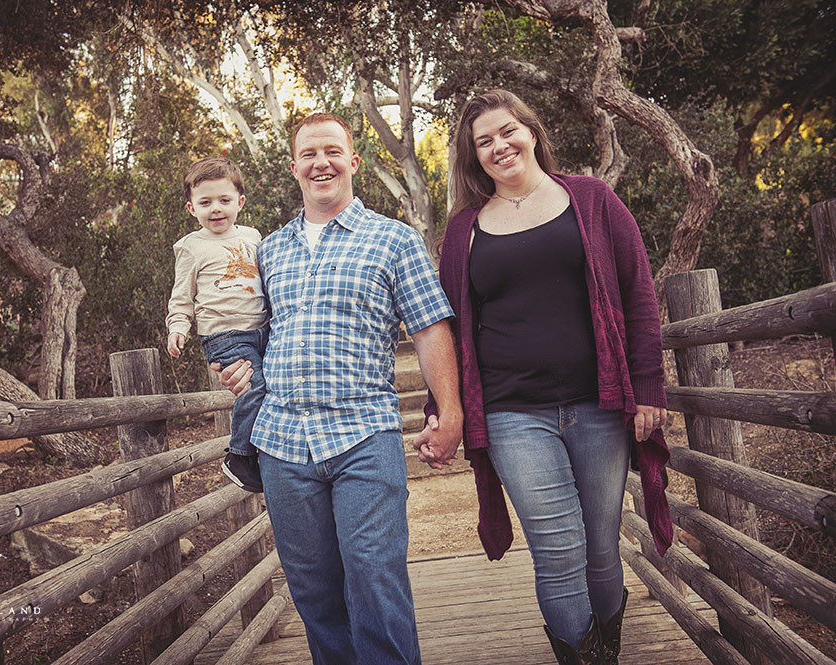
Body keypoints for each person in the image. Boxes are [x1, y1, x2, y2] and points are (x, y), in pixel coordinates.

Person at [416, 89, 673, 665]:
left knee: (602, 548)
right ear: (473, 156)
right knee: (558, 550)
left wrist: (648, 387)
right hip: (512, 413)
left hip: (598, 405)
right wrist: (442, 408)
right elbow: (450, 328)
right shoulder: (464, 231)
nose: (499, 146)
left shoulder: (591, 198)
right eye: (484, 141)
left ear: (531, 131)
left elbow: (637, 293)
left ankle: (605, 648)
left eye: (508, 131)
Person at [216, 112, 463, 665]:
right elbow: (250, 330)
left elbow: (430, 328)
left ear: (352, 162)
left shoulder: (393, 240)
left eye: (331, 151)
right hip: (281, 442)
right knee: (314, 591)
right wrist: (234, 364)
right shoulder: (268, 250)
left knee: (375, 577)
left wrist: (451, 413)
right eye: (308, 154)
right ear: (294, 168)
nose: (320, 162)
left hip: (363, 437)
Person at [166, 156, 268, 492]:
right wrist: (178, 326)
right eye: (205, 202)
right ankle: (239, 455)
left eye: (224, 200)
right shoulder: (191, 247)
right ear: (191, 208)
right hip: (224, 335)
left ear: (239, 202)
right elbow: (182, 295)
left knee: (276, 385)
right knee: (255, 387)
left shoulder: (253, 237)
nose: (216, 209)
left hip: (262, 329)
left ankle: (266, 452)